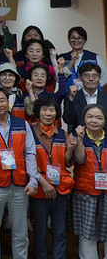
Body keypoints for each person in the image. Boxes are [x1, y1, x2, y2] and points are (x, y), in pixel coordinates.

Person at [0, 88, 38, 259]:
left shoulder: (22, 124)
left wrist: (33, 180)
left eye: (2, 100)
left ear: (8, 102)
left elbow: (30, 153)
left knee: (20, 232)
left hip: (19, 184)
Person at [29, 96, 74, 259]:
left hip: (60, 189)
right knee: (40, 231)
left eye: (52, 110)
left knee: (59, 231)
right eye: (44, 110)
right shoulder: (30, 132)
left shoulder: (62, 133)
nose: (48, 113)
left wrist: (71, 148)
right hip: (39, 189)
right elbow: (27, 162)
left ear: (56, 113)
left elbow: (67, 162)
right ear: (38, 112)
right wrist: (41, 181)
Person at [70, 104, 107, 259]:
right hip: (85, 193)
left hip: (106, 193)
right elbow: (79, 160)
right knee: (87, 234)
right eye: (90, 117)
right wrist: (79, 139)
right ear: (83, 119)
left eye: (99, 118)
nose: (94, 121)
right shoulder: (78, 138)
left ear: (104, 121)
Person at [63, 63, 107, 133]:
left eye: (95, 76)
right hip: (80, 137)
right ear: (80, 78)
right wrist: (71, 98)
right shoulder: (72, 96)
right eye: (86, 76)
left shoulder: (105, 97)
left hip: (103, 137)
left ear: (99, 78)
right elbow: (68, 120)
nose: (91, 79)